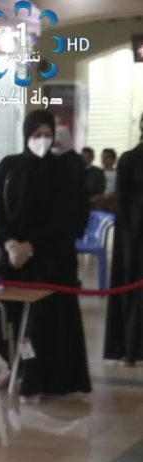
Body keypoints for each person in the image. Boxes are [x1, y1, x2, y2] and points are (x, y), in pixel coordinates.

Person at [0, 110, 91, 402]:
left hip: (50, 259)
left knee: (42, 321)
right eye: (36, 135)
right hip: (12, 258)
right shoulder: (10, 167)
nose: (42, 140)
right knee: (6, 315)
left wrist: (31, 246)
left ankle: (37, 379)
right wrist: (9, 243)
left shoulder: (63, 171)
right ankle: (14, 365)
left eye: (47, 135)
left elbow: (66, 216)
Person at [104, 117, 143, 365]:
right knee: (135, 292)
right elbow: (123, 200)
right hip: (135, 237)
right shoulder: (130, 159)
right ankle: (131, 347)